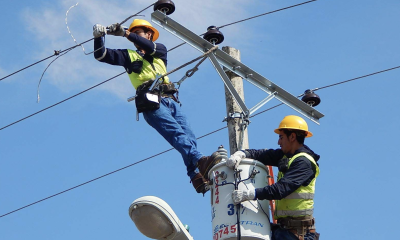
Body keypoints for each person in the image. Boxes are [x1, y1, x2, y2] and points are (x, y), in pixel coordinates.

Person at [92, 19, 220, 194]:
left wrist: (125, 33)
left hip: (170, 100)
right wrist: (99, 37)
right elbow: (101, 55)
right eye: (134, 33)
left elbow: (149, 47)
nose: (135, 36)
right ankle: (200, 161)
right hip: (152, 102)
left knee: (189, 137)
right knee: (176, 133)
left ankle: (196, 176)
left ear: (149, 34)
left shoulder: (160, 50)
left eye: (139, 33)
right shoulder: (129, 56)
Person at [227, 115, 320, 240]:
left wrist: (250, 194)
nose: (279, 142)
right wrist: (242, 153)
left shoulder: (304, 162)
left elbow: (281, 189)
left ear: (292, 137)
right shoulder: (288, 156)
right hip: (285, 230)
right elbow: (265, 154)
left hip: (298, 234)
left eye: (281, 137)